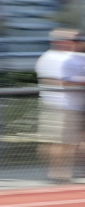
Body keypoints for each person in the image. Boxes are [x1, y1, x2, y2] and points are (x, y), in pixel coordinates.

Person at [35, 28, 85, 183]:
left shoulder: (74, 56)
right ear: (60, 41)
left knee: (73, 142)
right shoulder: (52, 57)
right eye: (74, 40)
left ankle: (68, 172)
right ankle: (57, 173)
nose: (77, 43)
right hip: (59, 106)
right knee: (58, 142)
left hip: (76, 106)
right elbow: (63, 82)